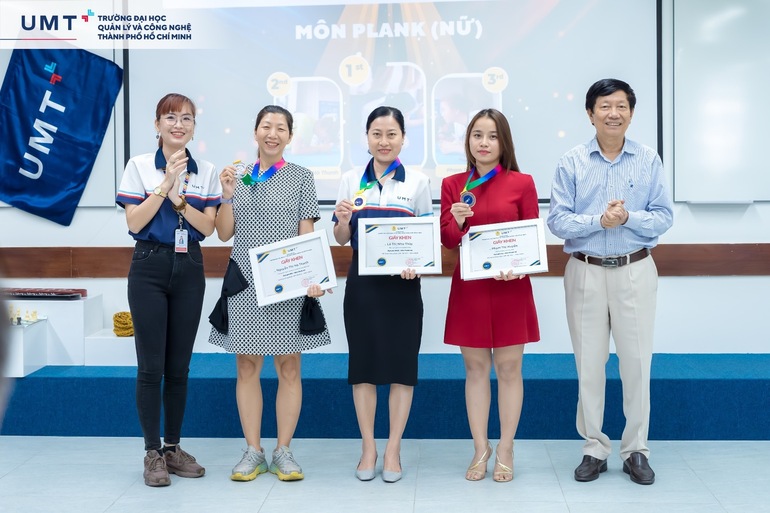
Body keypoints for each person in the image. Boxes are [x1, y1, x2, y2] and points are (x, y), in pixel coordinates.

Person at [547, 78, 674, 486]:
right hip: (585, 269)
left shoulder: (648, 159)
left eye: (621, 106)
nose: (613, 113)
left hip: (635, 269)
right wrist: (598, 221)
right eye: (604, 106)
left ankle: (636, 449)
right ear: (590, 114)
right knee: (589, 363)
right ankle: (594, 448)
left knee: (636, 363)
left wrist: (628, 217)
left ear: (631, 113)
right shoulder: (571, 161)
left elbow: (664, 216)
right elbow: (557, 220)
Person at [209, 105, 331, 483]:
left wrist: (313, 277)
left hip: (286, 286)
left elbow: (306, 234)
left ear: (290, 136)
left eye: (281, 128)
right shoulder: (239, 175)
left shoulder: (301, 177)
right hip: (245, 285)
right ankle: (253, 451)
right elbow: (224, 234)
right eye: (266, 126)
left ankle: (283, 451)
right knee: (247, 366)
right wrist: (226, 195)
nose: (272, 133)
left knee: (288, 367)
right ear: (255, 132)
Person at [116, 93, 221, 487]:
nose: (179, 125)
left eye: (187, 118)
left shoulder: (206, 170)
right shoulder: (139, 166)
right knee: (151, 366)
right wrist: (164, 186)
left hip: (189, 265)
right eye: (171, 117)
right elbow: (135, 223)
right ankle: (152, 452)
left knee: (179, 367)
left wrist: (179, 199)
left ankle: (173, 448)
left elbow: (208, 228)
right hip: (149, 265)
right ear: (157, 124)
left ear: (194, 127)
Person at [440, 108, 540, 482]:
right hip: (470, 290)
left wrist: (521, 265)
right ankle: (480, 447)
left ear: (504, 142)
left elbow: (532, 235)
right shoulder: (453, 184)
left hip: (511, 287)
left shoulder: (522, 183)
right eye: (477, 135)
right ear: (468, 140)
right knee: (475, 369)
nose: (484, 143)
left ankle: (507, 447)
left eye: (492, 136)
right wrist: (458, 220)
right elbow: (447, 240)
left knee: (510, 369)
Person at [333, 106, 432, 483]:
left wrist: (415, 264)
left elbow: (426, 239)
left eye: (391, 134)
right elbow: (341, 238)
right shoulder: (350, 180)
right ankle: (368, 448)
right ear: (367, 137)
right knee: (364, 368)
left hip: (403, 286)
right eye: (377, 133)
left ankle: (393, 448)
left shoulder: (417, 182)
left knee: (402, 369)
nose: (384, 141)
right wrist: (343, 222)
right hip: (363, 285)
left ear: (403, 138)